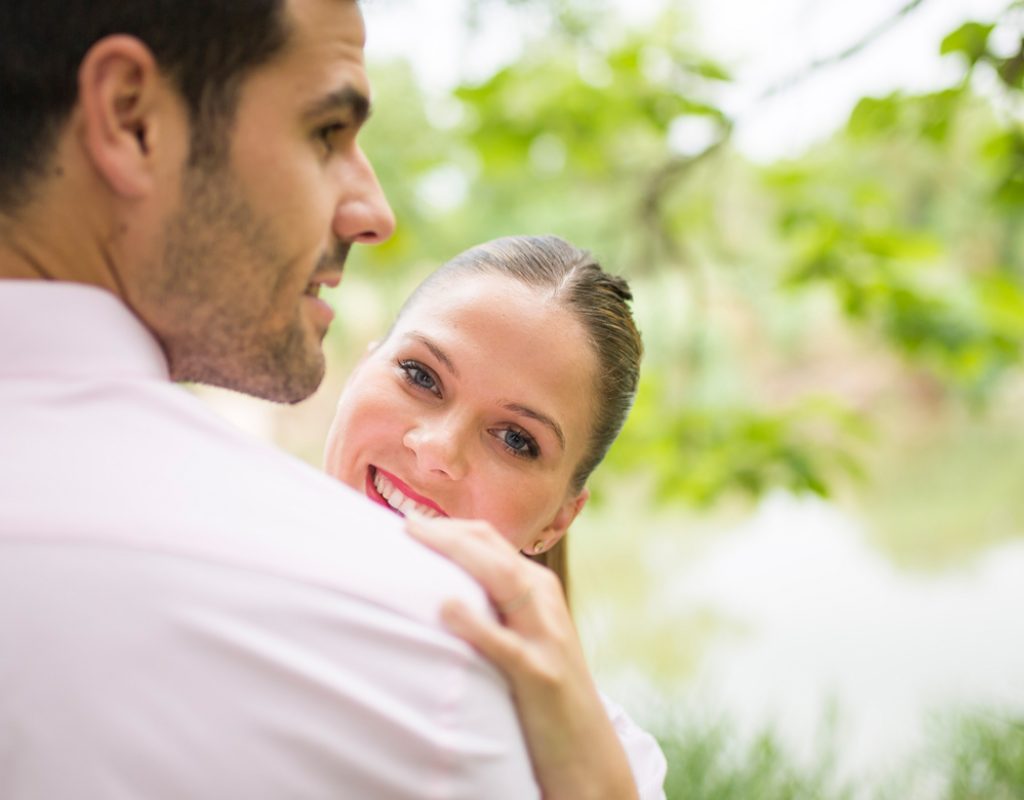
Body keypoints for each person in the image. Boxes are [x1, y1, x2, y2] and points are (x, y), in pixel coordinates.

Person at [0, 1, 604, 797]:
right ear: (131, 118)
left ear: (564, 515)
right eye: (326, 132)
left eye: (518, 439)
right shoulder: (422, 664)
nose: (375, 212)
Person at [323, 235, 667, 798]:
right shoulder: (178, 556)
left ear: (557, 520)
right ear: (362, 368)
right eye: (421, 375)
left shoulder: (608, 765)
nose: (437, 450)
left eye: (515, 439)